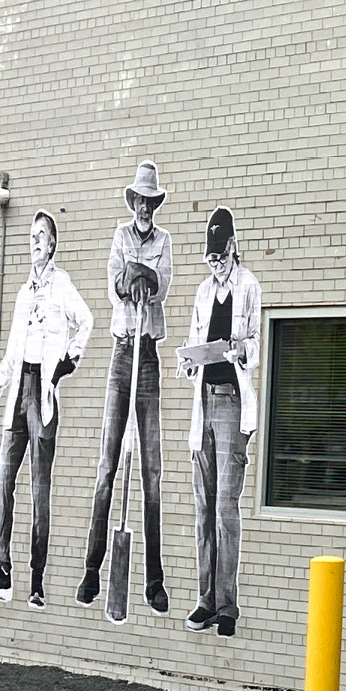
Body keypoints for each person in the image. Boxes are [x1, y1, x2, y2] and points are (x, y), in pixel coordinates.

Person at [79, 162, 174, 621]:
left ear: (155, 206)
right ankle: (92, 569)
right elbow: (117, 283)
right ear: (132, 203)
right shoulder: (119, 235)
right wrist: (135, 276)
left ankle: (154, 580)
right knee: (107, 466)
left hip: (149, 357)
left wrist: (143, 277)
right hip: (122, 356)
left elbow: (161, 286)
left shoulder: (164, 242)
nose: (144, 208)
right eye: (138, 201)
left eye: (150, 202)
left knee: (152, 473)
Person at [0, 210, 89, 601]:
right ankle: (1, 568)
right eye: (31, 235)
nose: (35, 241)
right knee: (3, 481)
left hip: (42, 395)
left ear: (53, 243)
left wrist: (68, 362)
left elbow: (87, 320)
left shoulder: (61, 285)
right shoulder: (23, 292)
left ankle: (37, 578)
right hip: (18, 388)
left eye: (41, 235)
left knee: (38, 490)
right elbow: (13, 351)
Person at [181, 210, 261, 636]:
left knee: (227, 505)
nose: (215, 263)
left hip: (232, 400)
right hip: (203, 403)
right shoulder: (201, 292)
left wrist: (236, 348)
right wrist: (190, 361)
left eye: (220, 254)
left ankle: (227, 603)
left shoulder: (248, 286)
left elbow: (257, 346)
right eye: (209, 257)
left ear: (232, 245)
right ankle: (204, 598)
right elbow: (195, 340)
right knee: (203, 506)